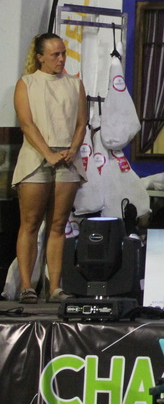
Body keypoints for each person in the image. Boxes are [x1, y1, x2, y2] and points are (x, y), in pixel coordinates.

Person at [12, 33, 88, 304]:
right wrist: (48, 154)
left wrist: (73, 149)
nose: (61, 58)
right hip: (37, 157)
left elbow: (82, 123)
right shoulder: (27, 83)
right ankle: (26, 286)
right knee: (30, 223)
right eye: (55, 54)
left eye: (63, 53)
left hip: (67, 157)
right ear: (40, 57)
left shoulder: (75, 84)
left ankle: (54, 287)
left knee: (58, 224)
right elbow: (27, 124)